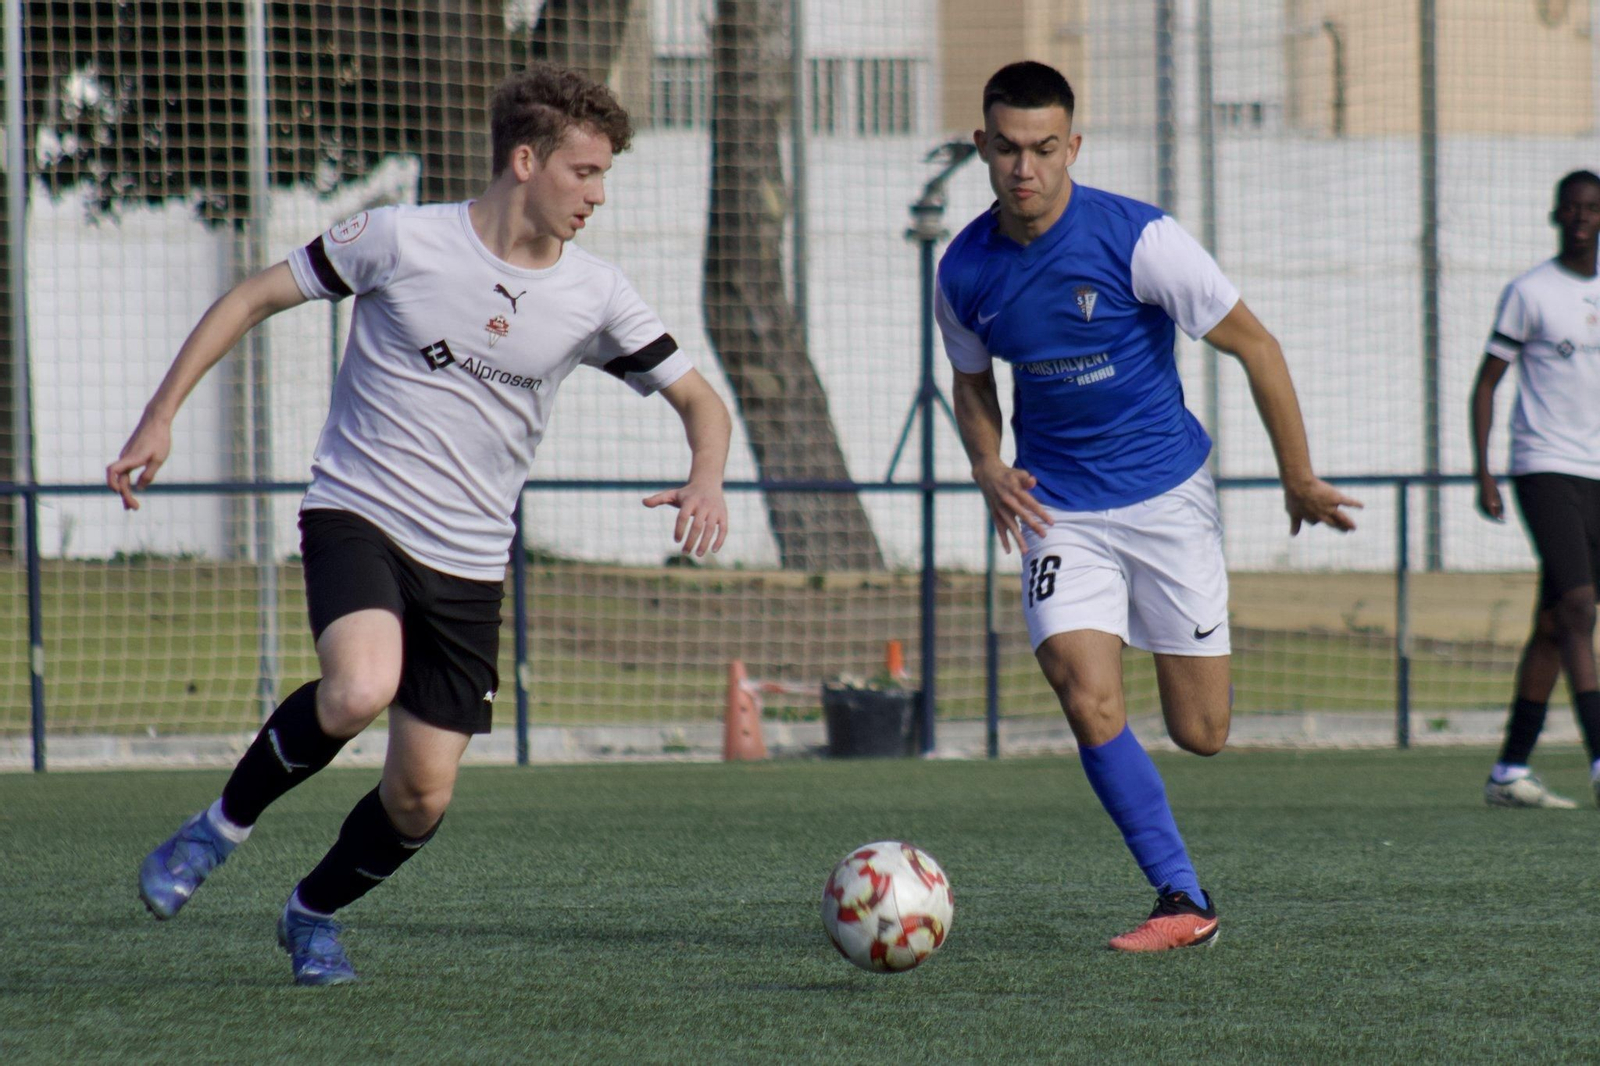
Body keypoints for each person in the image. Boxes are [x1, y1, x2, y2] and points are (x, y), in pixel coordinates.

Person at [109, 64, 732, 985]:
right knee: (359, 687)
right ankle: (216, 832)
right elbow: (250, 297)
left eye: (605, 176)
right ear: (526, 160)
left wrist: (706, 478)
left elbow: (700, 401)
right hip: (359, 510)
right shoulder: (399, 240)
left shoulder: (594, 294)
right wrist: (159, 417)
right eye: (585, 173)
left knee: (419, 797)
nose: (598, 195)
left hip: (471, 560)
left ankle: (311, 914)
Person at [935, 62, 1358, 952]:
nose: (1026, 169)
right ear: (983, 147)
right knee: (1084, 696)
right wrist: (987, 462)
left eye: (1045, 149)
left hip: (1167, 501)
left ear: (1072, 147)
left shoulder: (1140, 240)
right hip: (1061, 512)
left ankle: (1182, 884)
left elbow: (1258, 346)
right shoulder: (964, 268)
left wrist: (1299, 477)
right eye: (1007, 149)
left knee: (1200, 733)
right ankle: (1181, 898)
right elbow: (971, 383)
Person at [1472, 169, 1600, 810]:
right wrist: (1485, 470)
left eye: (1591, 208)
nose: (1580, 218)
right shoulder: (1530, 292)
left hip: (1598, 475)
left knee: (1555, 625)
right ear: (1556, 215)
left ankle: (1509, 771)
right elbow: (1487, 383)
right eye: (1571, 208)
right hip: (1544, 468)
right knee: (1580, 607)